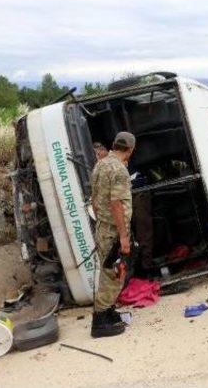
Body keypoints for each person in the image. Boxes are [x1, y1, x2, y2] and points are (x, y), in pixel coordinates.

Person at [89, 132, 136, 337]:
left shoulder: (100, 164)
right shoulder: (119, 170)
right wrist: (124, 237)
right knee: (114, 275)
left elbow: (94, 199)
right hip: (114, 232)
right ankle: (100, 321)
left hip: (103, 229)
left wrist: (102, 221)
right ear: (130, 150)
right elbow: (116, 204)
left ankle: (108, 312)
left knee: (109, 273)